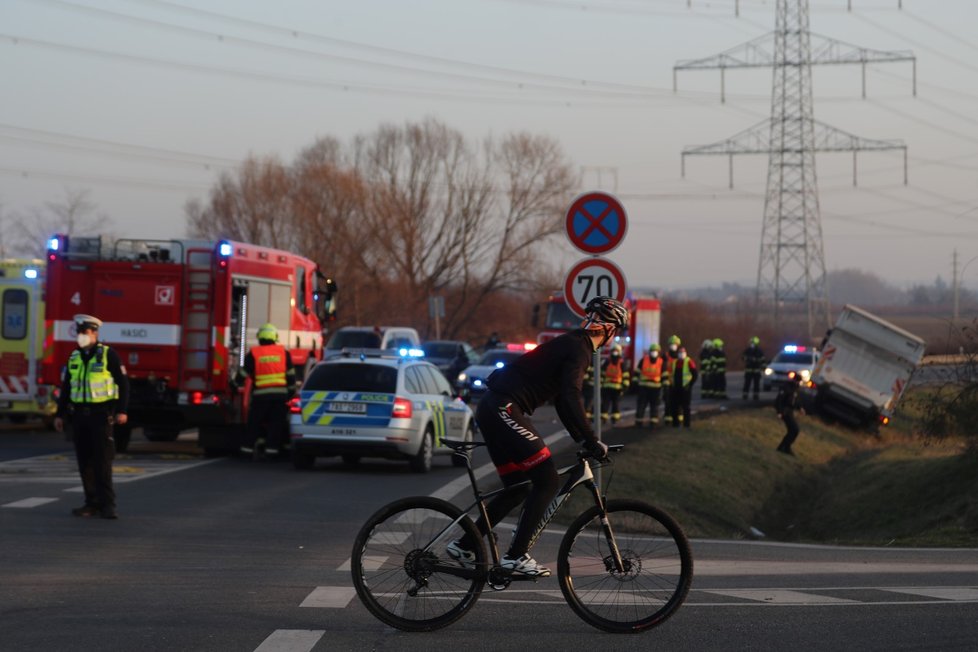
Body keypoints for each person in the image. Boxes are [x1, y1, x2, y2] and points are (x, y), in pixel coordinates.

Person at [446, 296, 625, 577]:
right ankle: (515, 556)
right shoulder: (579, 348)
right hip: (504, 408)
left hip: (494, 408)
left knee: (518, 487)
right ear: (609, 329)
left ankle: (465, 544)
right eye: (616, 333)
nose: (614, 339)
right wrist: (591, 439)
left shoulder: (573, 343)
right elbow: (570, 395)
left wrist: (582, 439)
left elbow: (563, 403)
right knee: (548, 479)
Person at [53, 314, 130, 520]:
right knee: (84, 462)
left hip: (101, 416)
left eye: (85, 332)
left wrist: (121, 411)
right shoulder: (74, 357)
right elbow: (67, 387)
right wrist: (59, 414)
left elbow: (123, 384)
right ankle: (91, 503)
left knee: (102, 462)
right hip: (79, 416)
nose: (81, 336)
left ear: (94, 333)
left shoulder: (107, 355)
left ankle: (108, 505)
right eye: (79, 332)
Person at [235, 323, 296, 459]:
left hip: (260, 397)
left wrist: (233, 384)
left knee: (254, 424)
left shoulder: (254, 354)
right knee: (276, 425)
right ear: (275, 337)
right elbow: (291, 376)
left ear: (260, 338)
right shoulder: (283, 353)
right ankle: (272, 453)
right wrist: (290, 393)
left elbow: (243, 375)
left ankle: (247, 451)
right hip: (280, 397)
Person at [635, 343, 665, 428]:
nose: (653, 353)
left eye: (655, 351)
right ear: (649, 352)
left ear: (658, 352)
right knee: (641, 405)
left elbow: (664, 375)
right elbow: (637, 372)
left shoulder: (661, 362)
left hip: (655, 389)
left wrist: (665, 385)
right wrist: (634, 383)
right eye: (652, 351)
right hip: (644, 388)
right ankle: (638, 422)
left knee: (654, 406)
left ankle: (653, 423)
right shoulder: (643, 360)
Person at [668, 346, 699, 428]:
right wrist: (671, 385)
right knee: (675, 406)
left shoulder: (689, 361)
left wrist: (689, 385)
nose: (681, 354)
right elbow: (671, 374)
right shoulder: (675, 362)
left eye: (683, 352)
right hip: (676, 388)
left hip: (685, 389)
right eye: (680, 352)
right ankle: (675, 424)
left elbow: (695, 374)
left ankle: (686, 424)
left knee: (686, 407)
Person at [600, 344, 630, 424]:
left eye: (616, 351)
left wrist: (624, 387)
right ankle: (603, 418)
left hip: (617, 388)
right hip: (607, 388)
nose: (615, 353)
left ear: (619, 352)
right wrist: (601, 384)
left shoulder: (622, 364)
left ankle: (614, 418)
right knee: (605, 404)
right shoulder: (607, 362)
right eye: (614, 351)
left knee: (615, 404)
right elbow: (602, 374)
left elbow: (625, 376)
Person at [775, 371, 803, 455]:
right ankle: (785, 447)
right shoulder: (786, 387)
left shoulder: (795, 389)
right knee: (794, 429)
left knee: (792, 430)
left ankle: (783, 447)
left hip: (790, 411)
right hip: (785, 411)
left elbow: (795, 400)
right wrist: (779, 412)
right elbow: (778, 400)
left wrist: (800, 407)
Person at [742, 336, 766, 400]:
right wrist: (748, 359)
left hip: (756, 370)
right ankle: (745, 395)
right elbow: (743, 357)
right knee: (747, 383)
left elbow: (763, 360)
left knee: (756, 384)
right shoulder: (748, 350)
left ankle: (756, 395)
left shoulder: (759, 351)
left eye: (752, 342)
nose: (751, 344)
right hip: (749, 370)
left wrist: (757, 361)